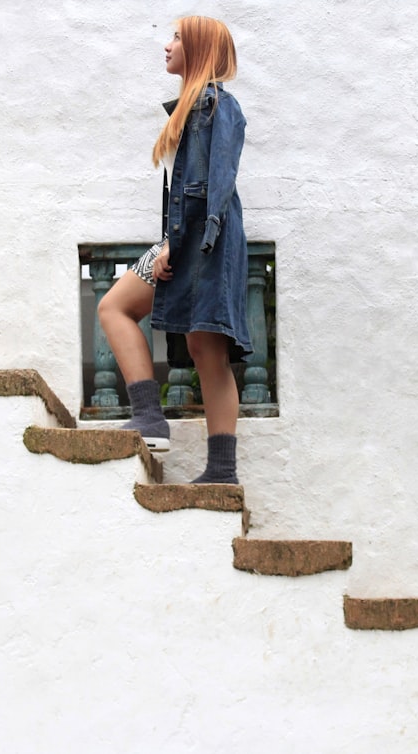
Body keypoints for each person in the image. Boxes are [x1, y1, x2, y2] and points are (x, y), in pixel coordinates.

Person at [97, 16, 252, 484]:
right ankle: (148, 417)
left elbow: (214, 186)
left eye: (178, 39)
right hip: (187, 237)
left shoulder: (215, 106)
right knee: (115, 307)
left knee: (207, 348)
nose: (167, 46)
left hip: (206, 238)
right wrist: (173, 241)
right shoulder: (190, 109)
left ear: (200, 48)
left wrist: (182, 245)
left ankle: (222, 470)